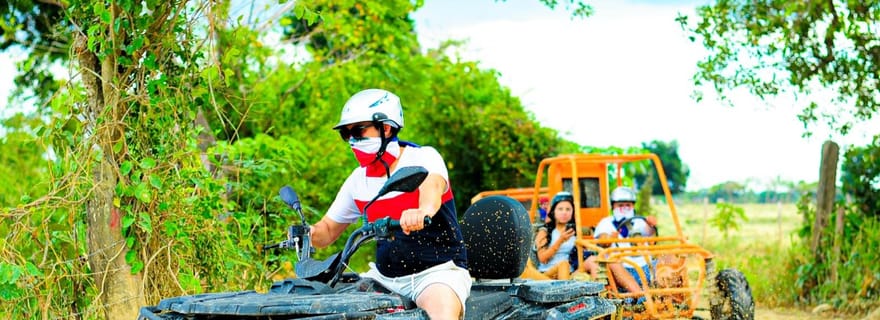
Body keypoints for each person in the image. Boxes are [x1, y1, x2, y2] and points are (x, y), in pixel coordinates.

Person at [308, 88, 471, 319]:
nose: (352, 140)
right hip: (383, 278)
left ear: (386, 128)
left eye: (359, 131)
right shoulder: (358, 179)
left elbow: (431, 195)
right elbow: (326, 232)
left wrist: (420, 212)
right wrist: (306, 233)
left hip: (436, 274)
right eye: (346, 134)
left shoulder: (423, 157)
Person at [588, 186, 657, 296]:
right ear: (613, 206)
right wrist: (609, 238)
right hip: (622, 269)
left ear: (633, 206)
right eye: (620, 205)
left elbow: (651, 234)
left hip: (646, 267)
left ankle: (675, 298)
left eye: (628, 205)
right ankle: (642, 298)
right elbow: (602, 240)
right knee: (614, 262)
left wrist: (651, 225)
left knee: (669, 258)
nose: (625, 209)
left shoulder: (640, 221)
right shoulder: (606, 223)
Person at [533, 192, 586, 280]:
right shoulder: (545, 231)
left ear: (573, 212)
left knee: (593, 260)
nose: (564, 213)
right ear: (554, 212)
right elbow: (542, 258)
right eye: (560, 209)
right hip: (547, 274)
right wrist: (560, 240)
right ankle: (565, 292)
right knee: (564, 264)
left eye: (568, 209)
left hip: (570, 272)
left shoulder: (575, 231)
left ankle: (606, 292)